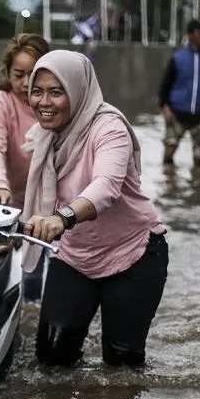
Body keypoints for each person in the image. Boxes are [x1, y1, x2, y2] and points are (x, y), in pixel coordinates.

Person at [21, 50, 169, 368]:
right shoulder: (45, 137)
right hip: (75, 255)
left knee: (122, 366)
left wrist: (63, 218)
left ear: (77, 90)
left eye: (56, 92)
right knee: (51, 360)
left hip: (134, 255)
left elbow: (106, 187)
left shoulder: (109, 128)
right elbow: (28, 196)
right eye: (37, 91)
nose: (43, 102)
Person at [0, 33, 51, 301]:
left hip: (51, 207)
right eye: (19, 74)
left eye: (35, 74)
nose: (27, 83)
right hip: (10, 199)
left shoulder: (56, 104)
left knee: (43, 274)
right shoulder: (0, 103)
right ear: (7, 72)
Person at [158, 19, 200, 168]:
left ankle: (197, 187)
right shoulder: (177, 58)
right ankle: (169, 184)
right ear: (190, 35)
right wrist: (165, 108)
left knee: (199, 160)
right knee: (168, 153)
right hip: (177, 114)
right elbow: (165, 86)